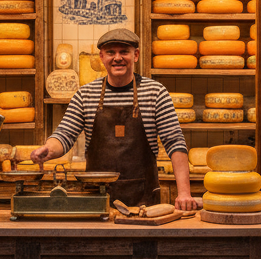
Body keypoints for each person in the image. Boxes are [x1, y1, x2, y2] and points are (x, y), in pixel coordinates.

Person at [30, 29, 199, 211]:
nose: (117, 58)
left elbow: (175, 142)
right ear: (102, 57)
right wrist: (49, 149)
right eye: (111, 52)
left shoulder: (155, 92)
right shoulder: (86, 94)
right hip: (96, 199)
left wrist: (184, 193)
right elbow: (65, 134)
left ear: (136, 55)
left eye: (124, 52)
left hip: (143, 201)